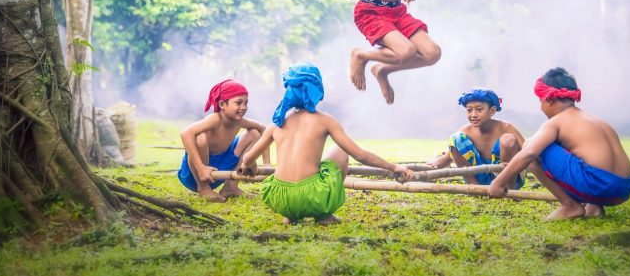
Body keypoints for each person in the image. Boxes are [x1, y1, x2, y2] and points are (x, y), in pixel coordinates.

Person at [241, 63, 414, 224]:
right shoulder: (325, 121)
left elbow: (248, 158)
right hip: (313, 198)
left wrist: (250, 166)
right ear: (316, 90)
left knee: (286, 176)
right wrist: (393, 167)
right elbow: (359, 154)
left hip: (279, 198)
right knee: (340, 150)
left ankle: (290, 215)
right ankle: (323, 214)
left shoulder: (276, 124)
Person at [487, 68, 630, 221]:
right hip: (625, 188)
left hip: (598, 185)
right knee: (569, 150)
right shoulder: (595, 120)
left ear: (549, 99)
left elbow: (529, 153)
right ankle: (594, 205)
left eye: (541, 101)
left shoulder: (556, 122)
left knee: (532, 148)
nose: (541, 107)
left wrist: (498, 182)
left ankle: (569, 205)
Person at [177, 79, 270, 202]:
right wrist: (201, 168)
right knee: (200, 138)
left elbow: (263, 129)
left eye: (246, 103)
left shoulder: (239, 121)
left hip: (221, 170)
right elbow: (185, 133)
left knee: (254, 133)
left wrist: (266, 163)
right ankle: (203, 188)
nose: (244, 107)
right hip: (196, 174)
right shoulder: (215, 119)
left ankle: (231, 186)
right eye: (238, 103)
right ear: (222, 105)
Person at [428, 88, 526, 189]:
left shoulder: (506, 127)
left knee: (508, 140)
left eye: (479, 110)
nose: (473, 115)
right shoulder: (465, 131)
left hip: (508, 178)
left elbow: (528, 152)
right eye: (469, 110)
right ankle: (476, 188)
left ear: (492, 111)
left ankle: (508, 190)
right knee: (456, 139)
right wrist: (432, 165)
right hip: (479, 177)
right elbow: (448, 157)